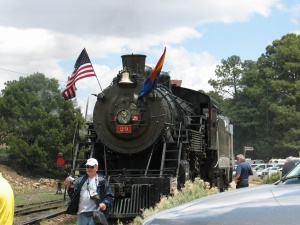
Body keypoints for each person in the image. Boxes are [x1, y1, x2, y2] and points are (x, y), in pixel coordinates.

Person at [65, 158, 114, 225]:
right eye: (87, 166)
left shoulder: (103, 181)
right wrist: (70, 187)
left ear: (96, 168)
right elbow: (73, 196)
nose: (89, 169)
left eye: (91, 167)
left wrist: (104, 203)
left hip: (96, 213)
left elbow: (109, 196)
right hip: (82, 213)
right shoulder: (79, 181)